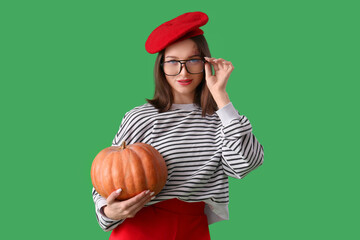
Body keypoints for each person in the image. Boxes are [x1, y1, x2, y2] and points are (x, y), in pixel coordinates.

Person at [92, 11, 264, 240]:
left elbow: (244, 164)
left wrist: (221, 97)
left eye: (193, 60)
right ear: (161, 66)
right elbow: (107, 175)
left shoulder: (222, 119)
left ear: (207, 63)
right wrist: (108, 211)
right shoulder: (141, 117)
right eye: (173, 62)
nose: (183, 71)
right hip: (140, 228)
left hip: (193, 229)